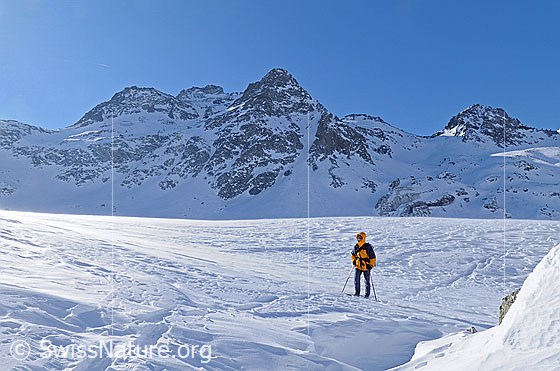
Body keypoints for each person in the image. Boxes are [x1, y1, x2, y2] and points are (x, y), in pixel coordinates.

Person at [351, 232, 376, 297]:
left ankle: (367, 295)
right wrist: (354, 261)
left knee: (367, 281)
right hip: (358, 265)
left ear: (363, 238)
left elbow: (373, 257)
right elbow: (353, 255)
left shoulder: (368, 246)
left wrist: (371, 265)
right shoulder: (356, 246)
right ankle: (357, 293)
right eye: (358, 238)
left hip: (366, 266)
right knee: (356, 279)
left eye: (360, 238)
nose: (359, 239)